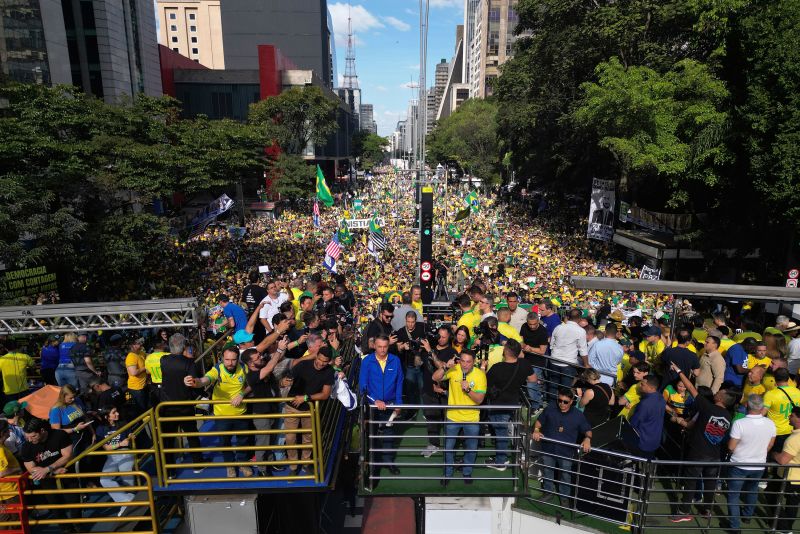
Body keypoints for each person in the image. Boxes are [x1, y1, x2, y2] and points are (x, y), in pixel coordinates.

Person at [671, 364, 735, 522]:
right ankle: (707, 510)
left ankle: (684, 511)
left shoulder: (707, 407)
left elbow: (690, 387)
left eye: (719, 392)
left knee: (690, 481)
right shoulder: (729, 416)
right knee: (710, 484)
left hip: (698, 452)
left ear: (721, 399)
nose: (716, 392)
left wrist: (679, 371)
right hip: (715, 455)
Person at [186, 347, 253, 478]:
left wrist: (242, 394)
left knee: (243, 441)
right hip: (222, 414)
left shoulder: (244, 368)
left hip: (240, 412)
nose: (230, 363)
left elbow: (252, 384)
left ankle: (243, 463)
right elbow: (205, 380)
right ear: (222, 359)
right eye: (227, 359)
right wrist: (195, 382)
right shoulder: (217, 369)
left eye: (233, 360)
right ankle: (230, 465)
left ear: (237, 359)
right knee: (225, 442)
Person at [432, 350, 486, 486]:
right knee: (448, 447)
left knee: (471, 448)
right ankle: (447, 473)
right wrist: (445, 367)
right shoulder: (454, 369)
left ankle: (467, 472)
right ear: (459, 360)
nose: (465, 364)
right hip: (453, 417)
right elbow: (435, 378)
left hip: (472, 418)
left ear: (474, 362)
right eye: (463, 361)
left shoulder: (480, 375)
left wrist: (468, 390)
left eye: (468, 361)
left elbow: (479, 400)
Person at [532, 387, 592, 502]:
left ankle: (564, 498)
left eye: (565, 402)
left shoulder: (578, 415)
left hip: (566, 452)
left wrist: (587, 439)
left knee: (565, 475)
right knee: (547, 472)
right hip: (548, 449)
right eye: (559, 400)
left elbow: (587, 429)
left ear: (571, 401)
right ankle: (548, 493)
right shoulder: (550, 409)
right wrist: (536, 430)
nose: (562, 404)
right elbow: (539, 422)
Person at [726, 394, 776, 531]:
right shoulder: (770, 423)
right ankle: (747, 516)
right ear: (762, 407)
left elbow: (731, 447)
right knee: (752, 490)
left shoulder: (740, 423)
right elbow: (770, 445)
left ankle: (734, 526)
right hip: (759, 464)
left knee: (734, 495)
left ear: (747, 405)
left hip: (739, 464)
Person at [485, 340, 537, 470]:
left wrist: (482, 368)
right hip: (513, 402)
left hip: (498, 404)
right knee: (503, 431)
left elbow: (484, 383)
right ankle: (502, 457)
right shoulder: (524, 364)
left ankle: (501, 461)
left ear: (505, 351)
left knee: (501, 432)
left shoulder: (497, 367)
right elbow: (533, 379)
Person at [359, 335, 404, 482]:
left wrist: (398, 403)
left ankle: (388, 462)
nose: (382, 350)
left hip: (390, 404)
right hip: (372, 406)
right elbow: (363, 386)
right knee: (371, 436)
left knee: (389, 434)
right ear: (374, 346)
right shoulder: (367, 361)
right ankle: (374, 465)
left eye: (385, 347)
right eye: (379, 347)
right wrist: (375, 400)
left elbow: (399, 383)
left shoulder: (395, 360)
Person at [284, 347, 334, 475]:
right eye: (320, 359)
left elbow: (325, 394)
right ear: (316, 356)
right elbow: (286, 380)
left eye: (325, 361)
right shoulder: (303, 365)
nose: (321, 363)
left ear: (329, 361)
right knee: (290, 437)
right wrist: (285, 382)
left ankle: (306, 463)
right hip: (292, 407)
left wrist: (305, 398)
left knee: (308, 437)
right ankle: (293, 466)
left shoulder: (329, 371)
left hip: (310, 409)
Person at [159, 333, 205, 474]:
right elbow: (194, 382)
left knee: (167, 439)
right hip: (185, 405)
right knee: (192, 436)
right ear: (184, 346)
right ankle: (198, 464)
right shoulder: (189, 363)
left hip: (167, 406)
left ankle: (169, 471)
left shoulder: (163, 360)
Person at [21, 418, 78, 528]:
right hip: (47, 479)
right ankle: (66, 529)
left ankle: (78, 526)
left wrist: (48, 468)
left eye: (33, 436)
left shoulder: (59, 435)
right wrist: (52, 471)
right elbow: (30, 468)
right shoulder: (27, 446)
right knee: (56, 506)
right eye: (27, 437)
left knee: (74, 503)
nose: (30, 440)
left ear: (42, 430)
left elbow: (68, 455)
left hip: (67, 474)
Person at [243, 343, 286, 475]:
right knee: (263, 442)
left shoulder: (262, 366)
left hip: (272, 409)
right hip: (262, 414)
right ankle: (262, 470)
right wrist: (279, 349)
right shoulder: (252, 376)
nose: (261, 357)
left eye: (260, 355)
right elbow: (270, 367)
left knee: (270, 440)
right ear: (250, 364)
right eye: (257, 357)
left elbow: (274, 361)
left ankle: (270, 462)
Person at [419, 328, 456, 458]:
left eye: (444, 337)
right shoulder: (428, 347)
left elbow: (442, 366)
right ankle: (433, 444)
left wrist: (430, 351)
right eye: (439, 336)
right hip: (428, 390)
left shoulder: (452, 352)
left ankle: (449, 446)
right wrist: (416, 351)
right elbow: (418, 363)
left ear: (449, 337)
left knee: (448, 421)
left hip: (444, 392)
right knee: (431, 420)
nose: (440, 339)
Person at [95, 406, 136, 507]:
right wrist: (120, 444)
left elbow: (129, 434)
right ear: (106, 417)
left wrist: (131, 436)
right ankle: (126, 501)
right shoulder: (100, 429)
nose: (117, 414)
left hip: (125, 452)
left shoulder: (123, 423)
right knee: (104, 480)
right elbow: (106, 448)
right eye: (114, 412)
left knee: (125, 472)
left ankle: (129, 498)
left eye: (117, 411)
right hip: (111, 456)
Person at [772, 406, 800, 534]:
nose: (789, 417)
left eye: (792, 415)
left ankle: (784, 528)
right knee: (792, 504)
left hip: (789, 477)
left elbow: (783, 460)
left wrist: (774, 454)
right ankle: (786, 528)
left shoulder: (794, 439)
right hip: (796, 478)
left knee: (771, 496)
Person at [548, 309, 589, 394]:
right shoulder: (581, 331)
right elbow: (583, 351)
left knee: (553, 386)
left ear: (568, 317)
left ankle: (551, 401)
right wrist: (586, 364)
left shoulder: (558, 327)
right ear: (580, 318)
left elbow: (551, 344)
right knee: (565, 390)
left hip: (554, 360)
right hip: (568, 363)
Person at [626, 375, 665, 458]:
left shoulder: (645, 404)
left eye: (642, 384)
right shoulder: (661, 398)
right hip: (654, 441)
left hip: (642, 442)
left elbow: (634, 423)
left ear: (651, 387)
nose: (640, 386)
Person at [394, 311, 427, 407]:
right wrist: (402, 347)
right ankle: (412, 410)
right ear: (405, 320)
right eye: (408, 322)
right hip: (409, 366)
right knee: (410, 390)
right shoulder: (400, 332)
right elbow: (396, 348)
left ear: (415, 321)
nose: (410, 324)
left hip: (421, 365)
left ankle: (422, 410)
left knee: (422, 389)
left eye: (412, 322)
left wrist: (420, 347)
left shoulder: (422, 329)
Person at [48, 384, 93, 455]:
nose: (73, 399)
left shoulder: (77, 400)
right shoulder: (56, 410)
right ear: (63, 396)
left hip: (86, 436)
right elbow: (56, 431)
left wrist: (93, 433)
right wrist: (75, 429)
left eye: (74, 396)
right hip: (72, 441)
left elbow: (85, 418)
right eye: (70, 398)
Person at [520, 312, 549, 410]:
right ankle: (535, 403)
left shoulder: (543, 331)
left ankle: (536, 406)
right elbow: (521, 341)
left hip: (537, 362)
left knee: (531, 384)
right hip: (525, 359)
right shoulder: (524, 326)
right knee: (530, 384)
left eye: (534, 324)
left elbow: (542, 351)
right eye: (530, 324)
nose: (532, 326)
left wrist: (530, 348)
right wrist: (524, 346)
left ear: (538, 321)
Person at [587, 323, 623, 387]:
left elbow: (589, 361)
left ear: (605, 332)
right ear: (616, 333)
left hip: (596, 378)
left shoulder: (597, 344)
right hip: (610, 379)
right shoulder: (620, 347)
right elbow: (618, 362)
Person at [0, 420, 21, 528]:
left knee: (5, 520)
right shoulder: (0, 450)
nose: (10, 431)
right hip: (9, 492)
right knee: (15, 520)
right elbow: (2, 472)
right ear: (2, 433)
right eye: (8, 429)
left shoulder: (3, 446)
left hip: (5, 492)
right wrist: (17, 469)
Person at [125, 338, 148, 414]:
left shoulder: (140, 353)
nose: (140, 344)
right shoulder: (131, 356)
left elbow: (147, 356)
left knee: (145, 407)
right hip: (136, 388)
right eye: (138, 343)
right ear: (132, 346)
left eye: (140, 342)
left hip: (143, 386)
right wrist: (145, 367)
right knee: (140, 410)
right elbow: (133, 372)